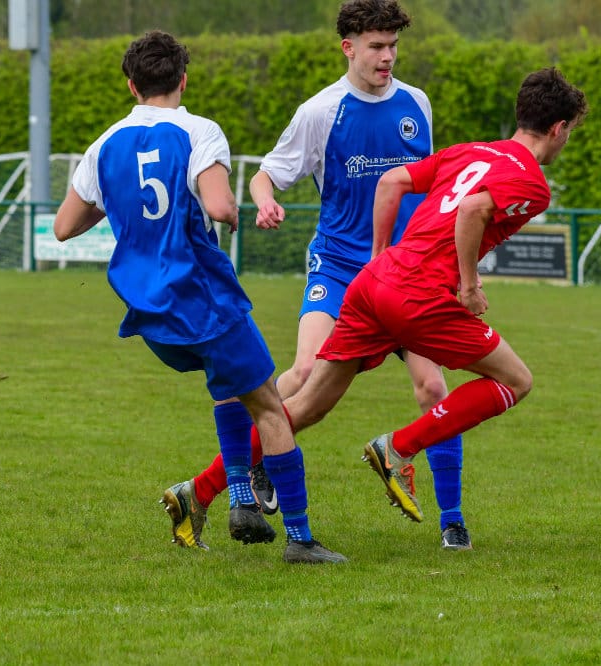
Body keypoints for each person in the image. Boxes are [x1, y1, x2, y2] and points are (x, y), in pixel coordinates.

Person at [164, 0, 473, 550]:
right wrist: (265, 201)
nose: (387, 57)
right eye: (376, 47)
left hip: (406, 272)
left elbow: (423, 187)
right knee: (305, 371)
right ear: (348, 48)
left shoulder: (416, 103)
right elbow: (265, 175)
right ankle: (258, 453)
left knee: (432, 386)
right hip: (340, 266)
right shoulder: (321, 112)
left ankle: (453, 520)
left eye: (393, 46)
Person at [248, 66, 586, 531]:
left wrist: (379, 258)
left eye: (391, 45)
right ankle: (393, 449)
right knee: (514, 380)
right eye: (571, 131)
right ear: (559, 128)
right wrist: (468, 284)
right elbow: (471, 208)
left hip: (381, 276)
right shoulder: (531, 182)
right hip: (396, 284)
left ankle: (201, 489)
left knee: (395, 393)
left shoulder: (453, 135)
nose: (387, 55)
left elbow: (393, 182)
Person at [53, 30, 345, 564]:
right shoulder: (198, 131)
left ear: (131, 85)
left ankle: (237, 500)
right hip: (201, 296)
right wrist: (232, 213)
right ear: (183, 80)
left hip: (148, 311)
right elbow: (218, 206)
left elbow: (64, 226)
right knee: (271, 408)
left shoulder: (103, 145)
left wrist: (118, 201)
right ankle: (300, 539)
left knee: (228, 387)